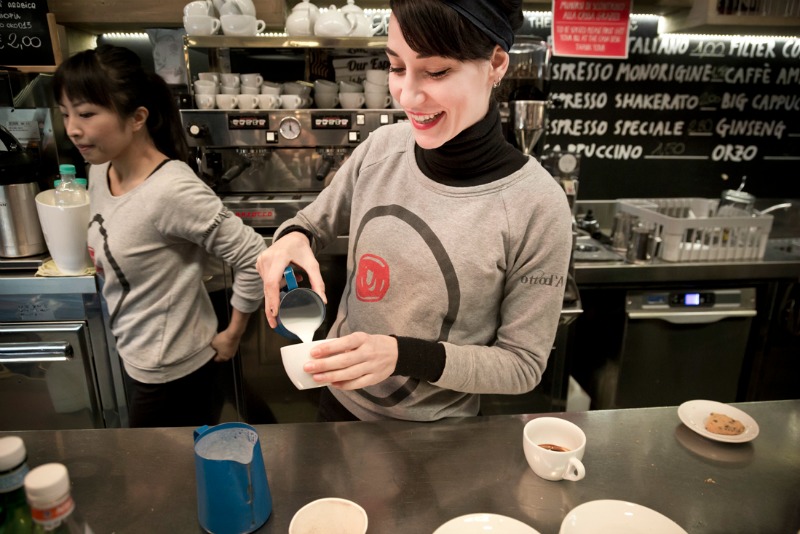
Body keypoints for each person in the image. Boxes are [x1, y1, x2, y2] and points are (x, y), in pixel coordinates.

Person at [256, 0, 573, 422]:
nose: (407, 95)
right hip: (339, 409)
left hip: (439, 438)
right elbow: (312, 222)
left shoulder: (536, 204)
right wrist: (291, 238)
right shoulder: (383, 148)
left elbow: (522, 366)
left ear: (496, 63)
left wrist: (402, 355)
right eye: (396, 67)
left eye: (437, 71)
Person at [53, 45, 266, 427]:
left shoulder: (171, 191)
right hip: (137, 353)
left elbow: (254, 256)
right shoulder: (101, 169)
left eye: (86, 113)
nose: (72, 128)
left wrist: (233, 333)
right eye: (66, 113)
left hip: (175, 371)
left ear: (137, 118)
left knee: (159, 479)